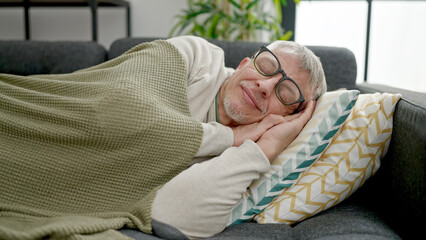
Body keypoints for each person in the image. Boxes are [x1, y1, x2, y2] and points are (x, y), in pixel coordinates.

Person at [148, 36, 327, 239]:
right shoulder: (197, 57)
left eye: (285, 94)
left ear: (287, 119)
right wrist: (231, 136)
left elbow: (167, 215)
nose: (265, 86)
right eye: (266, 66)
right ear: (243, 64)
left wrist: (267, 146)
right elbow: (122, 118)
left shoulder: (240, 163)